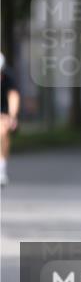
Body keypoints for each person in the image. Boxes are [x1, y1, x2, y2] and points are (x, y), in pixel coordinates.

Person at [1, 53, 20, 187]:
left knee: (2, 132)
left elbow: (13, 96)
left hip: (3, 112)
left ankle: (1, 168)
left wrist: (12, 116)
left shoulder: (8, 78)